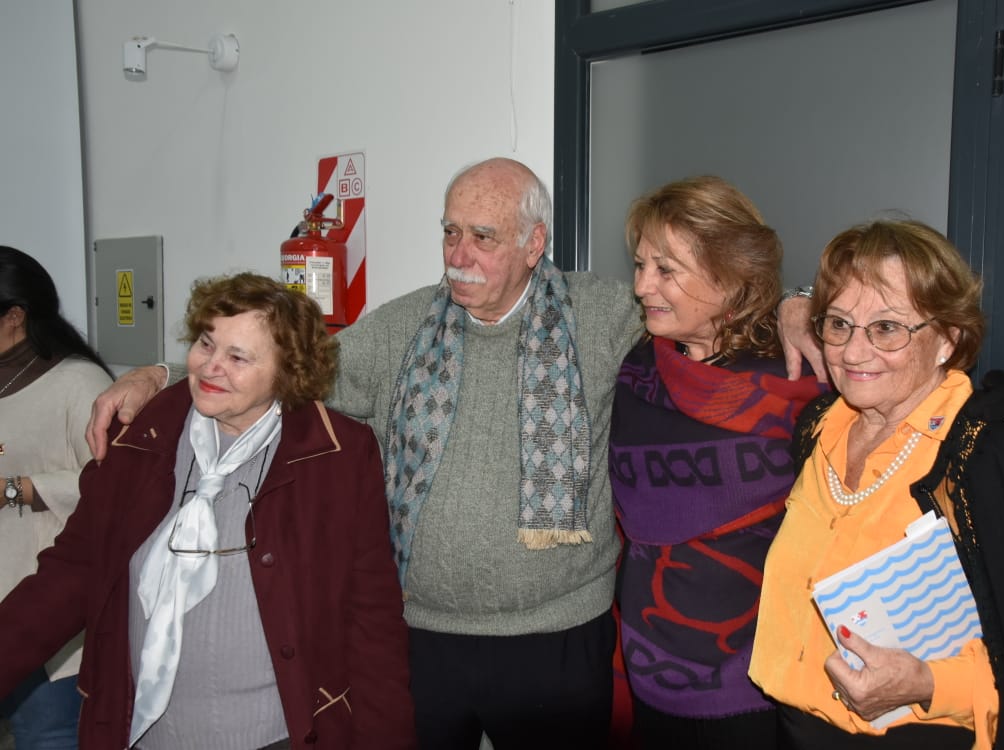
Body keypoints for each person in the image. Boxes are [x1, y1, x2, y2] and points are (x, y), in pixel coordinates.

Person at [84, 158, 824, 749]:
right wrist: (158, 375)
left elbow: (713, 298)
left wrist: (795, 301)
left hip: (561, 642)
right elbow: (278, 370)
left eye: (484, 236)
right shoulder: (403, 327)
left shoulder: (608, 314)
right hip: (422, 640)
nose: (459, 255)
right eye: (449, 233)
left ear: (534, 244)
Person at [0, 272, 415, 749]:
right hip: (143, 734)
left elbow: (372, 622)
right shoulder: (141, 438)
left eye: (238, 357)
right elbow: (69, 573)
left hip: (278, 736)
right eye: (205, 343)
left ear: (287, 371)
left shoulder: (337, 456)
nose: (211, 367)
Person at [749, 219, 1004, 749]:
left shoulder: (998, 461)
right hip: (793, 730)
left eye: (888, 328)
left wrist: (928, 683)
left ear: (947, 338)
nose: (852, 351)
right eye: (839, 324)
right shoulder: (819, 427)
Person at [609, 177, 826, 749]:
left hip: (755, 690)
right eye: (640, 265)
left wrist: (804, 301)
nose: (641, 286)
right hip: (646, 671)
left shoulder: (794, 376)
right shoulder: (636, 369)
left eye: (666, 269)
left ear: (730, 276)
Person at [0, 246, 114, 749]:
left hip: (49, 621)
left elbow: (112, 487)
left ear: (15, 316)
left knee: (46, 735)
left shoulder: (78, 381)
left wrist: (16, 489)